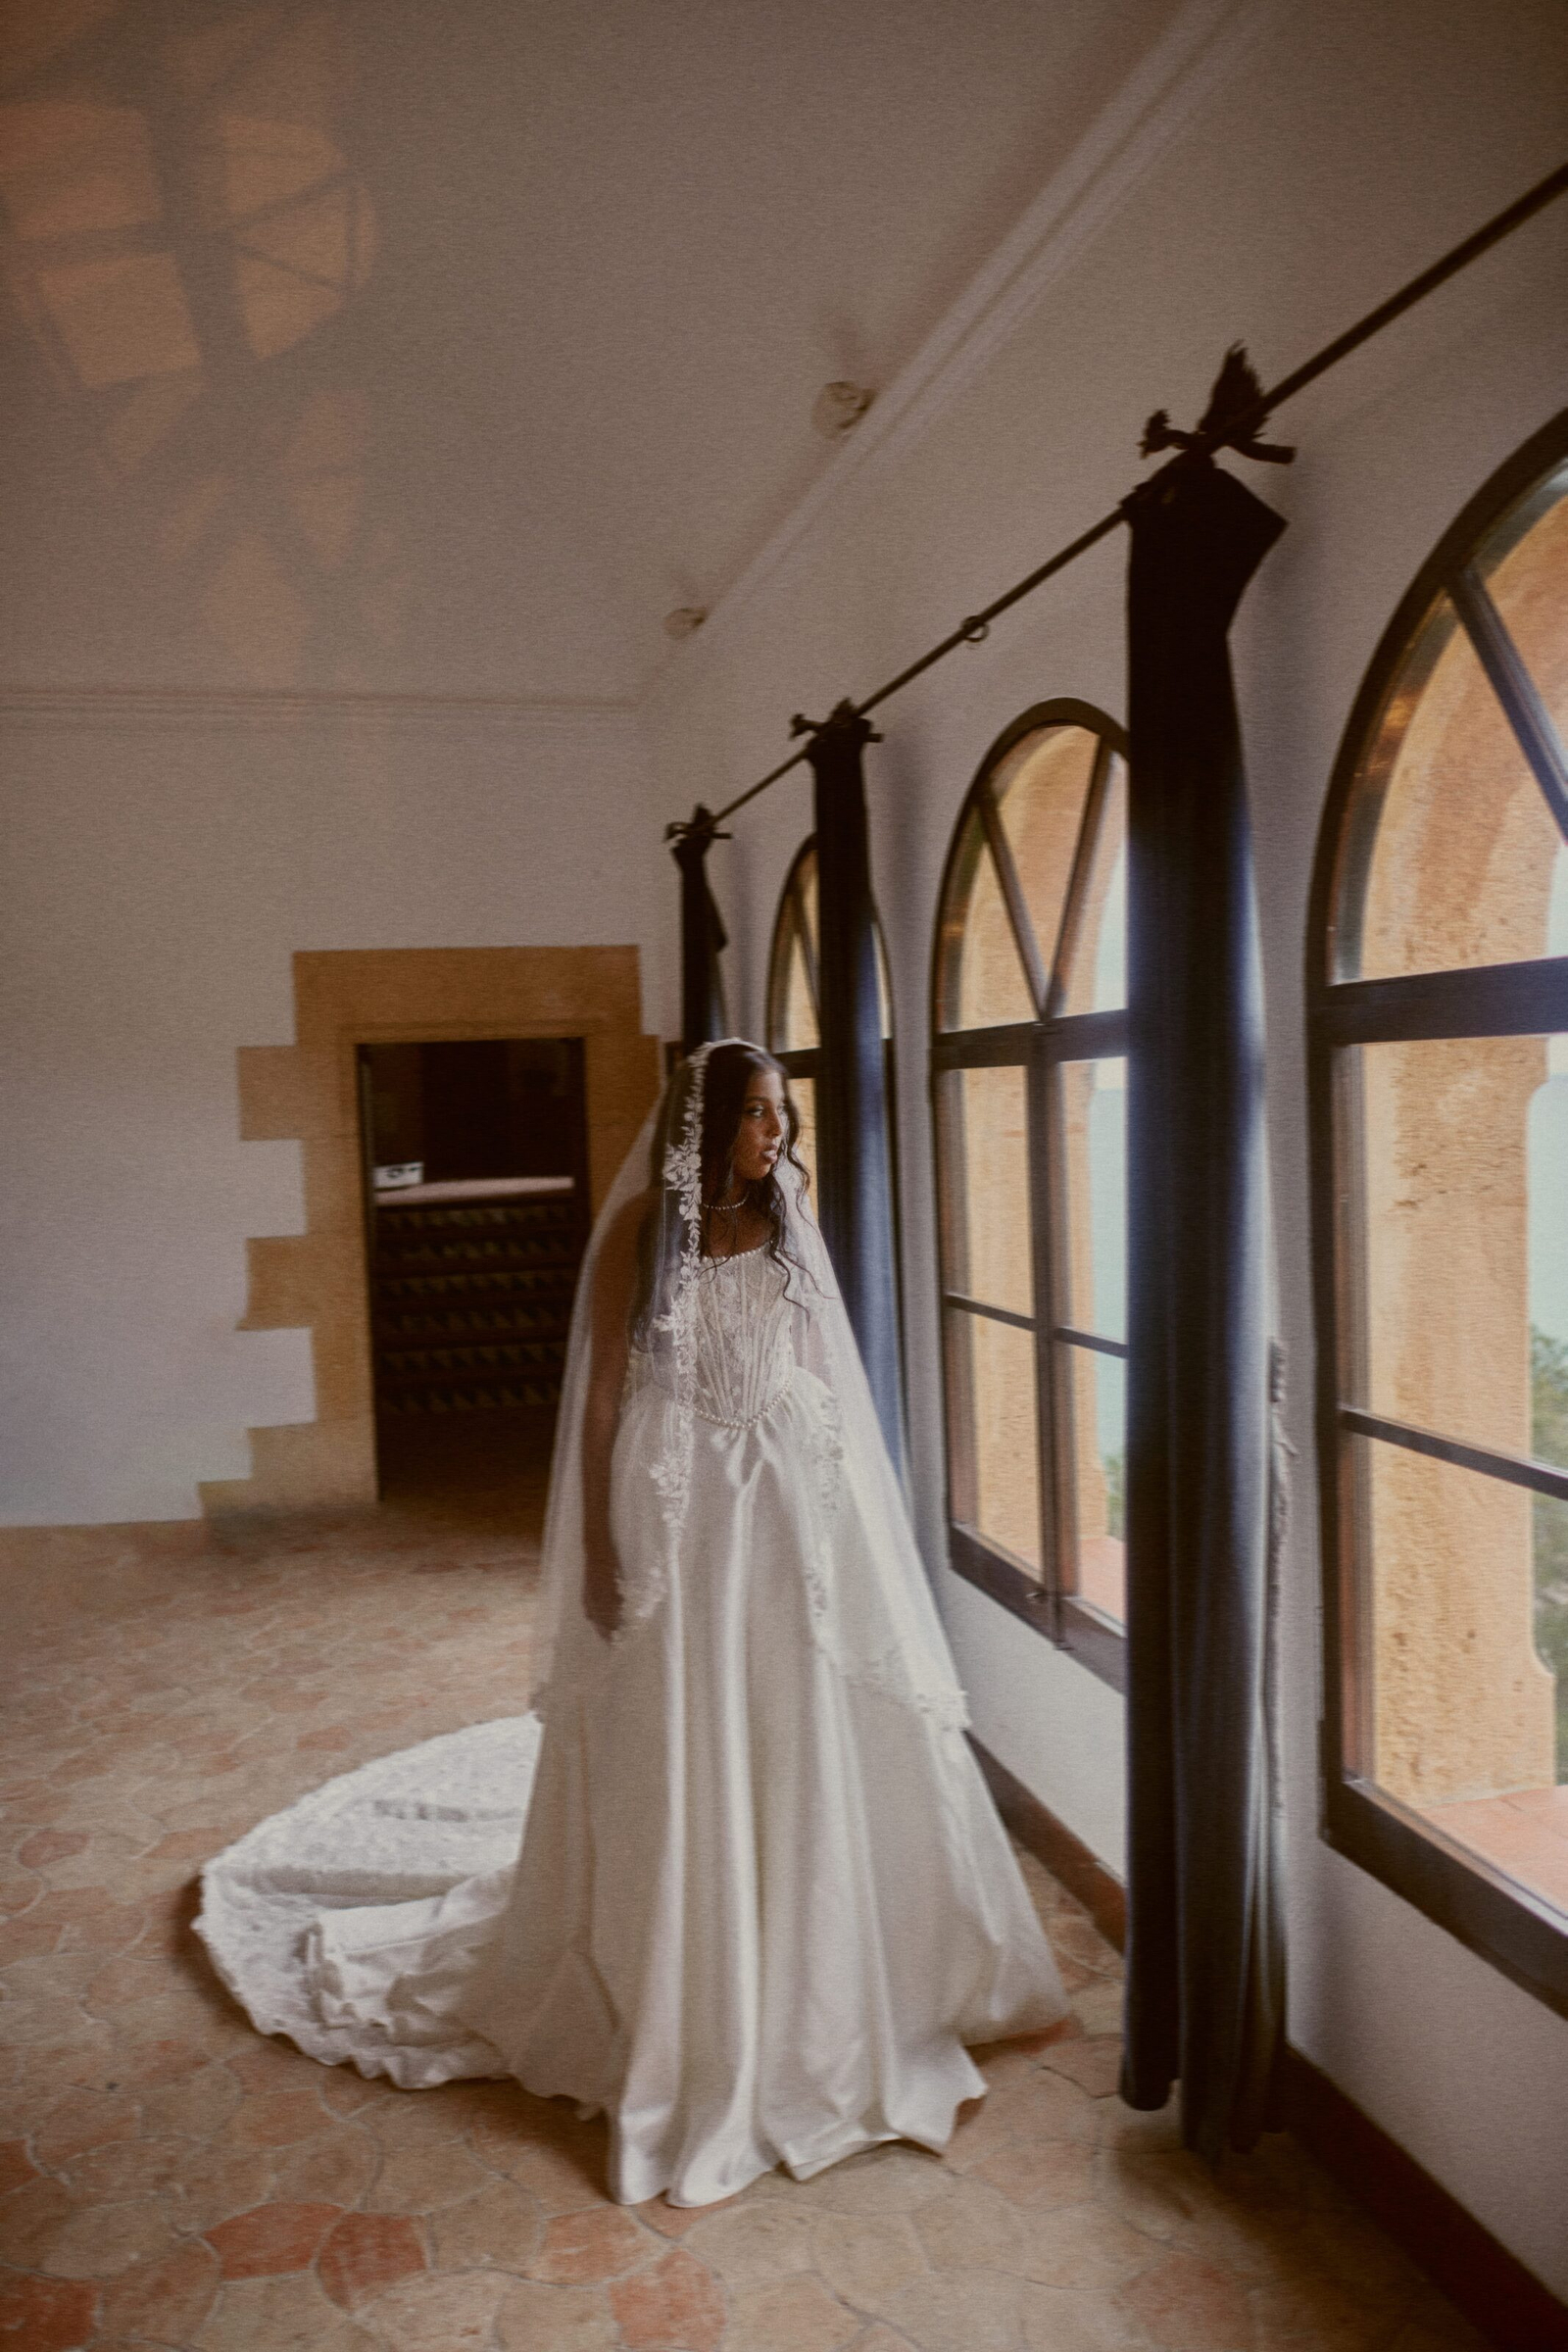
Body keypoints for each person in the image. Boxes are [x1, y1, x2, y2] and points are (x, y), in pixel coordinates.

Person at [198, 1040, 1067, 2209]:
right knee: (681, 1718)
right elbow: (603, 1391)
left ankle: (813, 1960)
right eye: (758, 1115)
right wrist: (605, 1546)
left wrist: (845, 1533)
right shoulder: (636, 1238)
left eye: (782, 1115)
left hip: (788, 1505)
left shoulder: (791, 1220)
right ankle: (682, 1969)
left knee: (797, 1708)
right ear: (704, 1125)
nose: (777, 1136)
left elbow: (825, 1378)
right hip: (678, 1502)